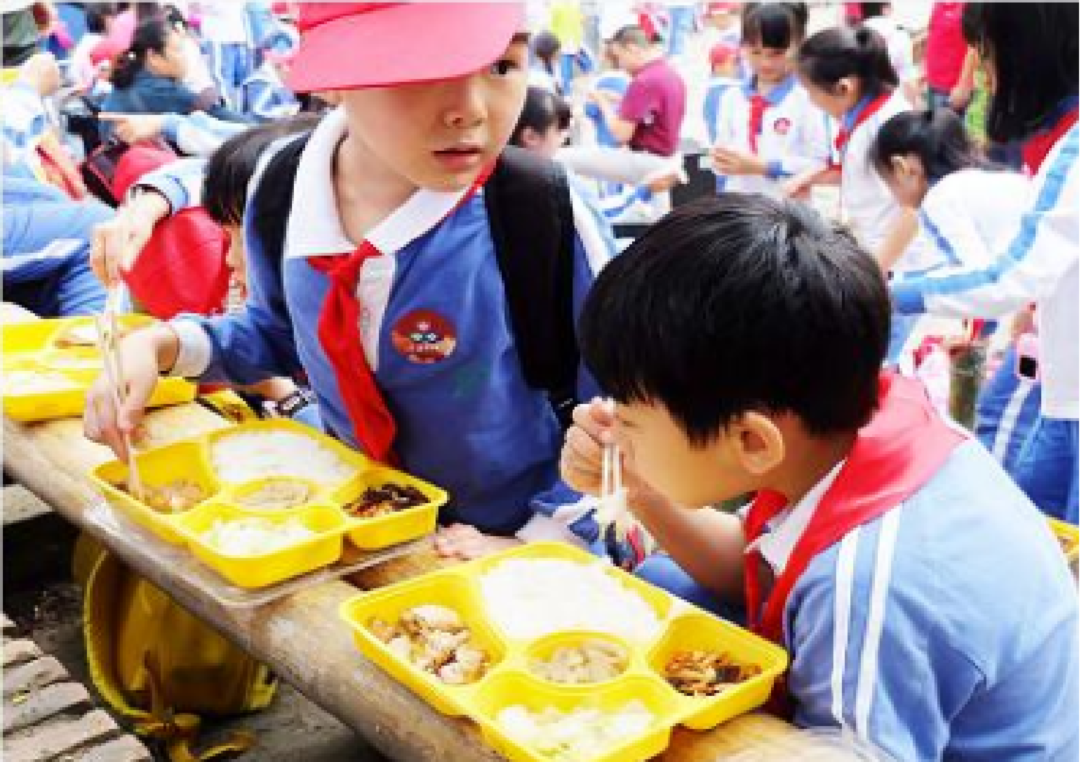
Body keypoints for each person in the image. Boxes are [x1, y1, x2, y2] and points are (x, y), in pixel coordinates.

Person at [84, 2, 617, 561]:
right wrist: (163, 345)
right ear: (337, 80)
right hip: (355, 526)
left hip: (519, 549)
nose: (471, 110)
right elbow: (280, 331)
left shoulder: (540, 214)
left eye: (501, 65)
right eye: (421, 70)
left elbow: (620, 410)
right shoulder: (284, 187)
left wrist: (533, 542)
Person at [560, 193, 1080, 760]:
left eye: (632, 420)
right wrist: (637, 487)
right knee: (665, 579)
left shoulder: (866, 587)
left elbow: (844, 752)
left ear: (753, 441)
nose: (616, 429)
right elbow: (758, 569)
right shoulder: (863, 427)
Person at [890, 4, 1080, 524]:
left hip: (1068, 390)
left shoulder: (1074, 146)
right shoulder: (1059, 142)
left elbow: (1007, 275)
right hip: (1062, 388)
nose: (982, 72)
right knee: (1038, 519)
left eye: (987, 54)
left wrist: (887, 290)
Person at [870, 108, 1037, 472]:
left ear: (904, 168)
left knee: (999, 418)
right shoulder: (992, 180)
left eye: (888, 182)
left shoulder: (940, 198)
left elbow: (977, 276)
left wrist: (892, 294)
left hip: (1041, 322)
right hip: (1035, 309)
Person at [795, 25, 931, 365]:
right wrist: (816, 176)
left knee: (879, 366)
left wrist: (875, 270)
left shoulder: (890, 125)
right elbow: (866, 173)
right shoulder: (863, 115)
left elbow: (916, 208)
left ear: (845, 87)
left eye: (812, 93)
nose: (812, 102)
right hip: (877, 256)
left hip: (896, 266)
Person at [709, 2, 830, 199]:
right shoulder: (731, 98)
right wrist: (721, 162)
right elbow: (719, 154)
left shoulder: (807, 98)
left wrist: (765, 167)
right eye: (755, 52)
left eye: (777, 53)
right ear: (742, 47)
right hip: (740, 208)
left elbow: (820, 162)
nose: (765, 63)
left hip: (786, 211)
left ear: (799, 45)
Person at [558, 25, 686, 188]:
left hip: (649, 160)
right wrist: (618, 100)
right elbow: (654, 112)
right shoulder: (669, 73)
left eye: (619, 57)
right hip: (668, 157)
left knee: (561, 158)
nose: (620, 64)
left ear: (632, 49)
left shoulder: (644, 80)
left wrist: (601, 101)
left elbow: (620, 134)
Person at [100, 14, 245, 138]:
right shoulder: (161, 91)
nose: (185, 58)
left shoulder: (128, 81)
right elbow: (239, 125)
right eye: (178, 50)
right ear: (154, 57)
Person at [857, 3, 917, 106]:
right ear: (885, 8)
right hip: (895, 102)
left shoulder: (854, 35)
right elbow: (908, 79)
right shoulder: (900, 35)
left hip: (865, 106)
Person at [510, 86, 571, 158]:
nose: (565, 136)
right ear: (531, 137)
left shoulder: (498, 157)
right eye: (559, 130)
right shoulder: (549, 168)